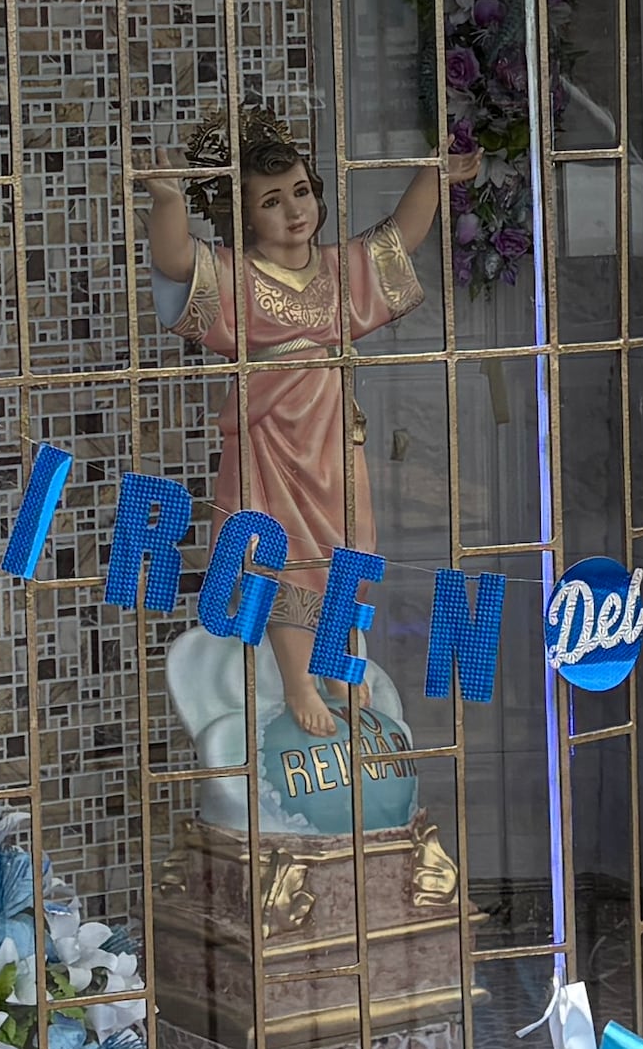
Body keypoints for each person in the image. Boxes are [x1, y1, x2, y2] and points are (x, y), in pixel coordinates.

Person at [134, 105, 450, 737]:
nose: (294, 211)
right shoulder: (238, 277)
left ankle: (336, 658)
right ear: (244, 217)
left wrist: (435, 174)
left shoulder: (336, 271)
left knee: (348, 547)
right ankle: (298, 681)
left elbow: (398, 240)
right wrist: (168, 202)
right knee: (279, 557)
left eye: (301, 192)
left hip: (333, 441)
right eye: (272, 201)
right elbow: (176, 262)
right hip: (269, 443)